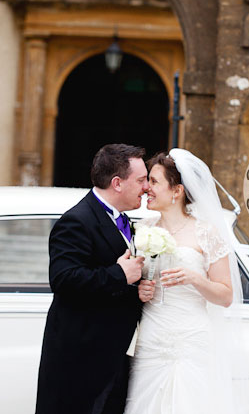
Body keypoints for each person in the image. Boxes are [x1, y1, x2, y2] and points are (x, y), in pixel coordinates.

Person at [124, 149, 249, 414]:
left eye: (154, 182)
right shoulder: (143, 229)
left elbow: (226, 296)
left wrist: (195, 279)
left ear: (177, 191)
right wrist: (141, 289)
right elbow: (133, 276)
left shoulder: (207, 233)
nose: (147, 188)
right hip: (152, 336)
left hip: (191, 337)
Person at [36, 144, 149, 414]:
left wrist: (138, 289)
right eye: (142, 180)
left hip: (114, 360)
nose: (146, 188)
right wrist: (119, 274)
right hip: (80, 365)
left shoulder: (126, 221)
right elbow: (64, 279)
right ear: (117, 183)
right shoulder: (77, 221)